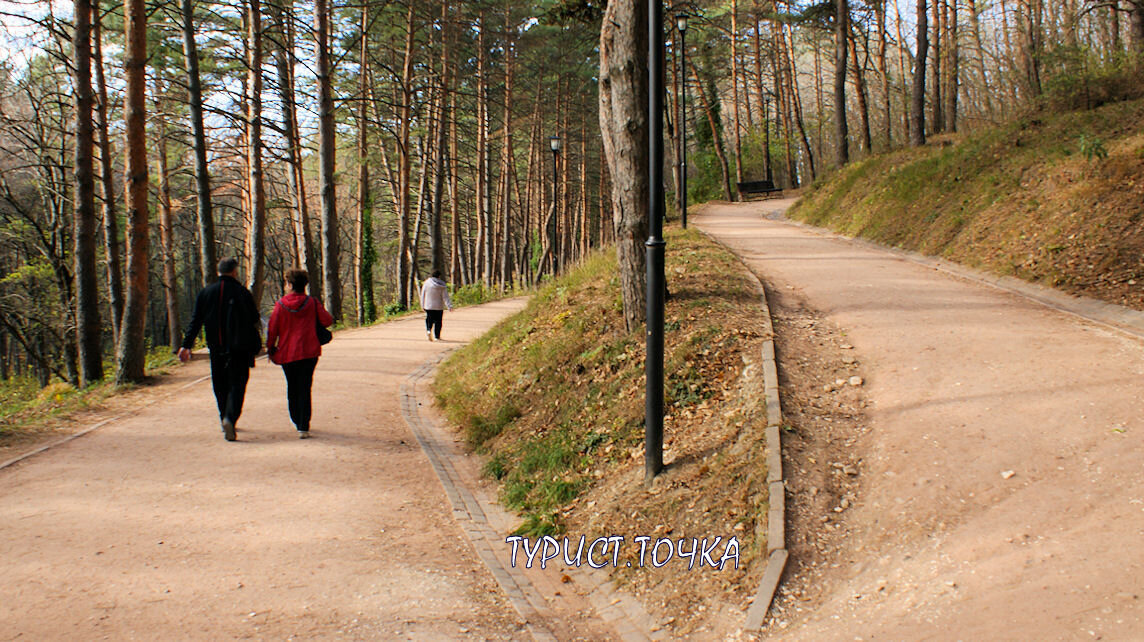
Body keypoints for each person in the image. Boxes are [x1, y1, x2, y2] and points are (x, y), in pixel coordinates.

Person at [178, 258, 262, 442]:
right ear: (234, 271)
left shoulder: (206, 293)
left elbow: (195, 321)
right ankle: (230, 418)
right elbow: (254, 318)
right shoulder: (242, 293)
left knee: (220, 385)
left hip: (215, 349)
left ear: (218, 272)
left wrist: (186, 345)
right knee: (238, 385)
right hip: (239, 349)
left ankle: (224, 416)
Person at [266, 269, 334, 439]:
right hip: (309, 352)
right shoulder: (312, 302)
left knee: (292, 387)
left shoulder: (280, 305)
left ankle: (296, 420)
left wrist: (270, 348)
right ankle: (304, 425)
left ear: (289, 285)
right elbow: (327, 320)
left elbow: (272, 329)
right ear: (305, 285)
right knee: (305, 387)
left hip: (287, 353)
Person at [419, 270, 453, 341]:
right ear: (439, 276)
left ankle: (428, 330)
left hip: (428, 305)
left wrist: (422, 305)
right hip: (438, 306)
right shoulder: (442, 285)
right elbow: (445, 297)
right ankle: (437, 336)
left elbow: (423, 295)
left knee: (429, 319)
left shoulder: (426, 283)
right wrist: (449, 306)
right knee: (438, 321)